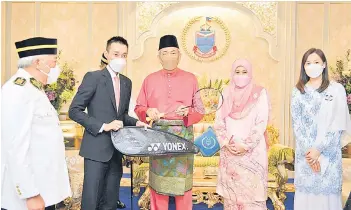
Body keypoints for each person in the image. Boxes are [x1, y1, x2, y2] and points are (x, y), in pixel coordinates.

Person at [69, 36, 148, 210]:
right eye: (116, 54)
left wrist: (137, 123)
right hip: (96, 149)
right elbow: (74, 111)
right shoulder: (93, 77)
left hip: (116, 151)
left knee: (111, 202)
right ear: (106, 54)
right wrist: (103, 126)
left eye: (124, 55)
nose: (120, 59)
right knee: (91, 201)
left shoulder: (126, 82)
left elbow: (122, 116)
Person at [1, 37, 71, 210]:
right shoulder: (17, 91)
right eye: (53, 62)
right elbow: (15, 147)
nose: (56, 67)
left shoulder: (33, 89)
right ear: (38, 62)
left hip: (42, 189)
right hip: (27, 197)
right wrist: (29, 193)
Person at [134, 34, 203, 210]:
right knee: (159, 185)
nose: (170, 57)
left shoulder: (191, 78)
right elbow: (139, 108)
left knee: (183, 186)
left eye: (173, 53)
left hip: (183, 136)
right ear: (159, 56)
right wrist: (148, 112)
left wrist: (189, 112)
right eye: (165, 53)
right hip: (159, 136)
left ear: (179, 55)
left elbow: (200, 111)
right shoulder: (149, 79)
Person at [291, 48, 351, 210]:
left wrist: (319, 150)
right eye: (308, 63)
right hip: (306, 158)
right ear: (303, 67)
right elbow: (297, 125)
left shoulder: (336, 89)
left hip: (329, 157)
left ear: (324, 65)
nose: (312, 66)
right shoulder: (298, 92)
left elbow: (339, 124)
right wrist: (310, 154)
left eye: (316, 62)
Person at [213, 59, 269, 210]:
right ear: (232, 74)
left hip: (252, 153)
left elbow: (261, 122)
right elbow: (218, 122)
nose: (240, 75)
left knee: (253, 198)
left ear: (250, 73)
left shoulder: (259, 93)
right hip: (230, 153)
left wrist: (246, 145)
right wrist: (225, 143)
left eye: (244, 72)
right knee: (233, 199)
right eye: (237, 72)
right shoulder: (225, 93)